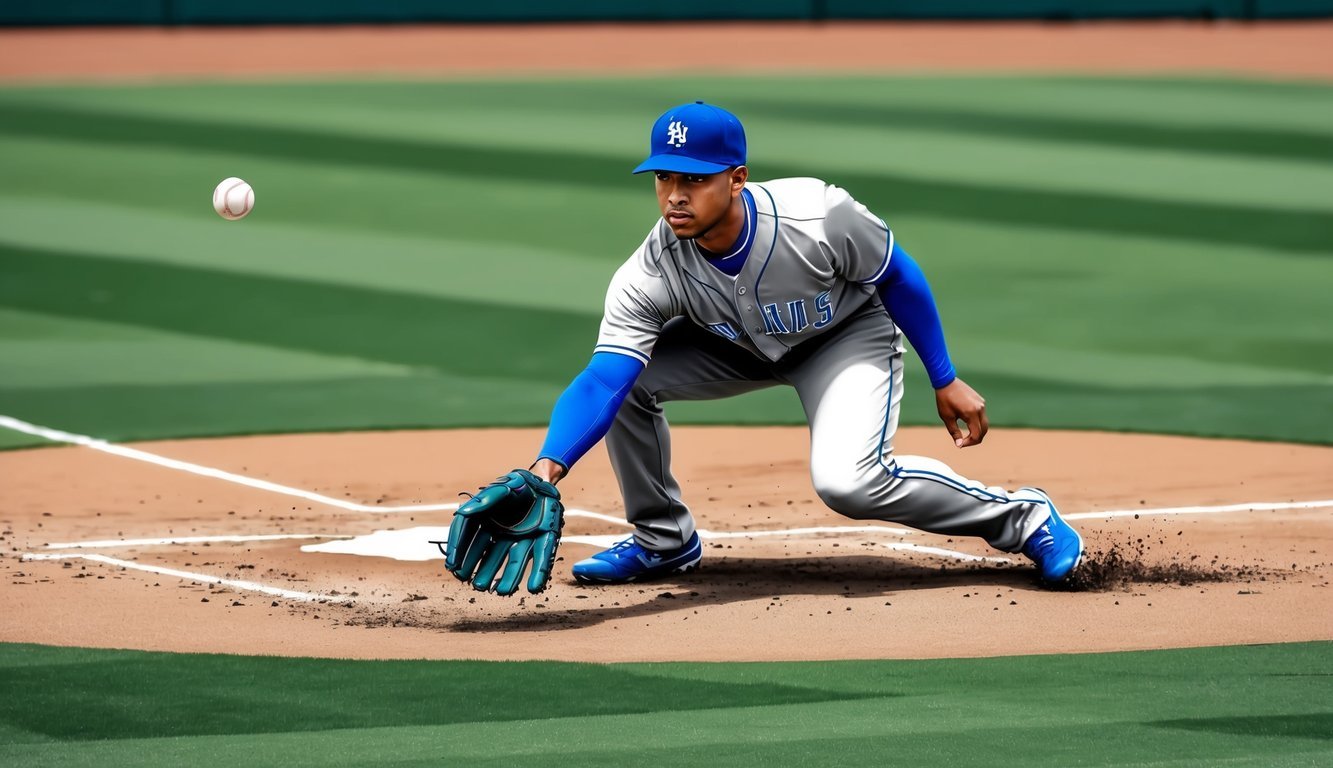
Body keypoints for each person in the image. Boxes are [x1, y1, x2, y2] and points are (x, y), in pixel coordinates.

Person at [444, 102, 1082, 595]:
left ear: (737, 178)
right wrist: (543, 470)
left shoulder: (818, 217)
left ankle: (1025, 520)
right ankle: (664, 540)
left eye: (692, 179)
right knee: (634, 384)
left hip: (845, 337)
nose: (674, 196)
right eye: (663, 178)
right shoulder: (649, 270)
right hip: (735, 349)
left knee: (848, 483)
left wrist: (944, 376)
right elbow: (604, 379)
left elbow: (897, 273)